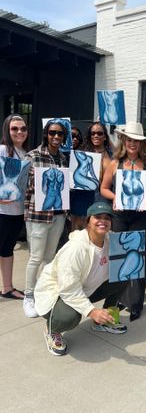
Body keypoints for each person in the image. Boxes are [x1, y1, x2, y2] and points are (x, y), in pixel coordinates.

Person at [34, 202, 128, 356]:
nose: (103, 221)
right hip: (59, 295)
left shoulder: (111, 240)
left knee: (124, 275)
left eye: (107, 218)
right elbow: (69, 289)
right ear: (88, 221)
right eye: (97, 217)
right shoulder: (75, 249)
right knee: (70, 317)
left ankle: (103, 321)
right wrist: (91, 311)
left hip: (85, 287)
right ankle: (52, 329)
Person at [101, 121, 146, 320]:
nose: (132, 143)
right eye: (129, 139)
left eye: (136, 140)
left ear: (141, 143)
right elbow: (104, 188)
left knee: (137, 257)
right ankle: (118, 299)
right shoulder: (114, 163)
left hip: (140, 215)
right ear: (123, 140)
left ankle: (136, 303)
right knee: (119, 256)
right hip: (119, 214)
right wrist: (115, 198)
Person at [23, 120, 68, 318]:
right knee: (35, 257)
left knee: (50, 258)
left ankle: (44, 290)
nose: (56, 137)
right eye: (52, 133)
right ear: (46, 134)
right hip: (38, 215)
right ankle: (29, 295)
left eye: (60, 134)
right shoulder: (32, 156)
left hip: (58, 215)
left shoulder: (64, 158)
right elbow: (22, 186)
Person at [0, 114, 29, 299]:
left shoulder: (27, 154)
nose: (19, 132)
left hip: (18, 211)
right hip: (2, 211)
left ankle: (8, 288)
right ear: (7, 130)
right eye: (14, 128)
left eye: (23, 128)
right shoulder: (2, 150)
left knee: (7, 249)